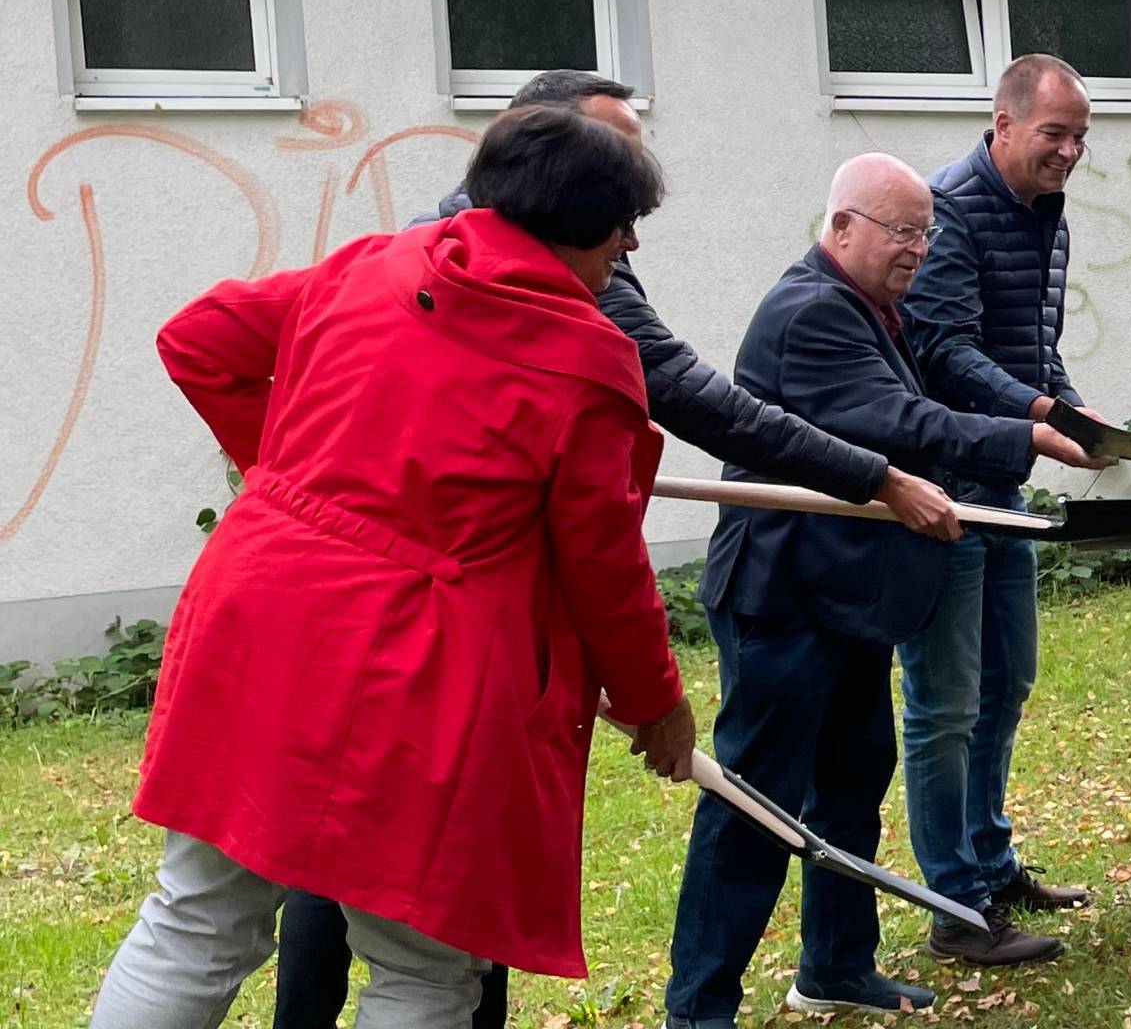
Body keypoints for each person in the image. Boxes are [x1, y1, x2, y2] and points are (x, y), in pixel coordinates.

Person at [274, 71, 961, 1029]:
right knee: (359, 876)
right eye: (616, 162)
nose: (632, 206)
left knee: (348, 880)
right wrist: (874, 475)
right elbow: (661, 439)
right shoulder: (479, 273)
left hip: (418, 603)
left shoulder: (565, 263)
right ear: (545, 160)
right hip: (434, 614)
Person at [91, 106, 695, 1028]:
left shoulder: (369, 263)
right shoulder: (585, 360)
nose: (630, 247)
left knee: (197, 918)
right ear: (579, 224)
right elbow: (603, 565)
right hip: (415, 668)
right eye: (624, 226)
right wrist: (657, 701)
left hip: (256, 615)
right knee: (421, 964)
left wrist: (292, 478)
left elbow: (202, 338)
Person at [662, 155, 1096, 1028]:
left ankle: (835, 967)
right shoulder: (812, 311)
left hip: (847, 596)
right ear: (842, 226)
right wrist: (1023, 437)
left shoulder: (873, 308)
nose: (918, 250)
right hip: (782, 598)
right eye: (902, 231)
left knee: (852, 783)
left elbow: (914, 408)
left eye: (926, 234)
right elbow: (896, 422)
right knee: (755, 808)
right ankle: (698, 1009)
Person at [897, 53, 1111, 965]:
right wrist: (1038, 414)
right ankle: (954, 904)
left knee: (1006, 682)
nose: (1069, 152)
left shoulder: (1046, 213)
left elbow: (1030, 346)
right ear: (1004, 125)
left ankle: (990, 861)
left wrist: (1077, 410)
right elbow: (942, 349)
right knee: (945, 703)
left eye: (1080, 138)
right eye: (1054, 134)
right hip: (941, 487)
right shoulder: (950, 209)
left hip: (1003, 483)